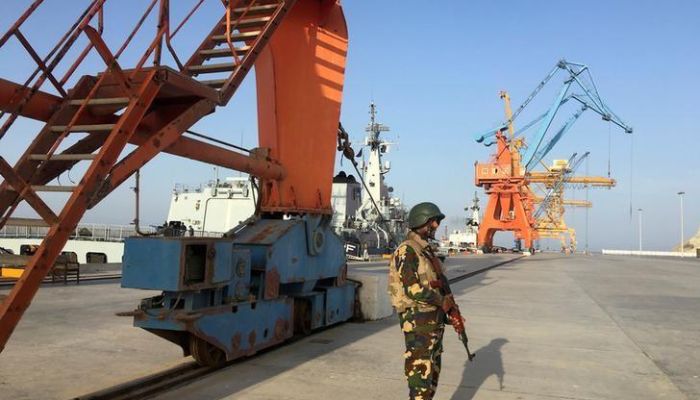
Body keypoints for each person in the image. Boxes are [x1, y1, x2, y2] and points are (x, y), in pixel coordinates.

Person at [388, 202, 464, 400]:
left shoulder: (426, 251)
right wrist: (441, 301)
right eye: (433, 222)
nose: (436, 226)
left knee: (432, 374)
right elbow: (413, 289)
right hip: (418, 323)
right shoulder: (408, 251)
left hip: (433, 322)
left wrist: (451, 310)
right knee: (420, 376)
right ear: (421, 222)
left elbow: (439, 284)